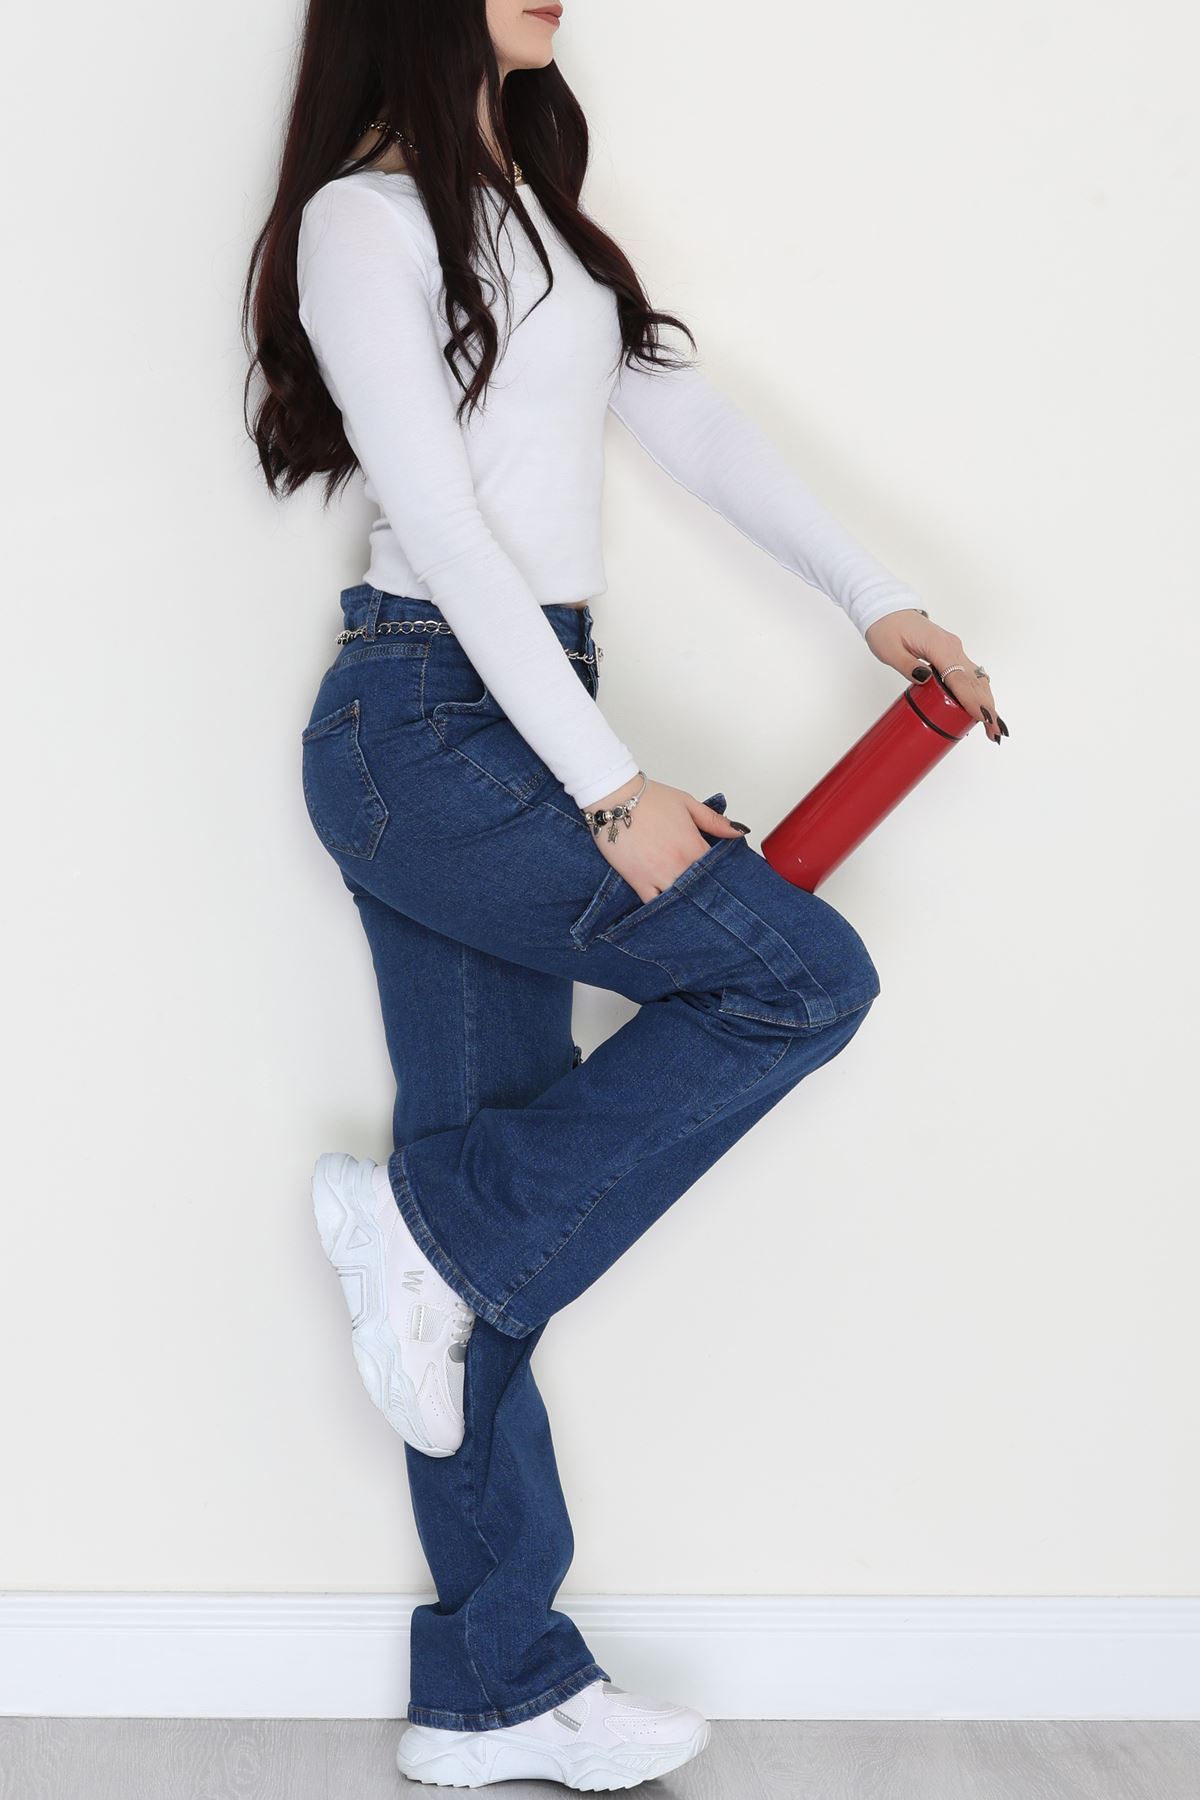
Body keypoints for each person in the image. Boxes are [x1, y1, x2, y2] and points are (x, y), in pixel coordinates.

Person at [244, 1, 1006, 1788]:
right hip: (421, 730)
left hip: (518, 710)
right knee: (796, 981)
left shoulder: (534, 208)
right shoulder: (364, 222)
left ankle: (494, 1685)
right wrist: (606, 783)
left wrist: (874, 598)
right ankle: (425, 1232)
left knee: (473, 1255)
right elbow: (443, 527)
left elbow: (689, 415)